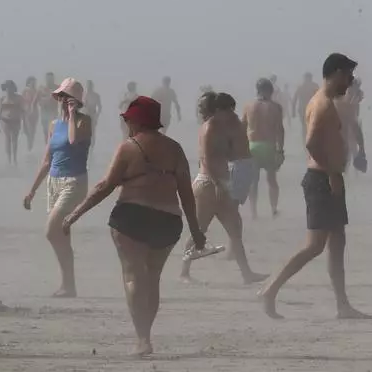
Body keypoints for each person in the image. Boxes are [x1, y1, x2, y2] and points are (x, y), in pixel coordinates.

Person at [60, 96, 203, 357]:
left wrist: (74, 214)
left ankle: (142, 339)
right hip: (168, 220)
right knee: (152, 278)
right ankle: (145, 334)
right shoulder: (175, 149)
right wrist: (196, 231)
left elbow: (104, 186)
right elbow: (186, 193)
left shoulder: (128, 147)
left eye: (128, 120)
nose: (126, 124)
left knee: (133, 276)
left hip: (132, 217)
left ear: (137, 121)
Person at [259, 53, 370, 320]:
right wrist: (331, 173)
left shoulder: (328, 102)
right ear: (336, 73)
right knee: (315, 246)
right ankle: (270, 290)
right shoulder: (322, 105)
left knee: (337, 242)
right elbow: (310, 143)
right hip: (321, 180)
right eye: (348, 76)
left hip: (329, 178)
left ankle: (343, 305)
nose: (350, 82)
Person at [179, 92, 268, 284]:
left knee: (234, 229)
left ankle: (246, 273)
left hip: (221, 183)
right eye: (228, 110)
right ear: (218, 110)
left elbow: (227, 154)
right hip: (208, 185)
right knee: (200, 230)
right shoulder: (210, 127)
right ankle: (184, 273)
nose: (231, 114)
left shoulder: (220, 127)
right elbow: (206, 159)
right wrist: (218, 184)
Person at [23, 78, 92, 297]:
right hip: (54, 182)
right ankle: (68, 285)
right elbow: (47, 160)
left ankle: (68, 283)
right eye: (61, 97)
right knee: (62, 235)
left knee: (51, 230)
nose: (63, 101)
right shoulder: (54, 125)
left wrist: (71, 115)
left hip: (74, 182)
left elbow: (72, 141)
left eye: (68, 97)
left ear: (76, 101)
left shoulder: (84, 122)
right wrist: (32, 190)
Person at [245, 78, 286, 219]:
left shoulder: (249, 106)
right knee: (272, 180)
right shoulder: (276, 107)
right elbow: (280, 130)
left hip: (252, 146)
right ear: (271, 91)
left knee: (253, 182)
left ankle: (253, 212)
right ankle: (274, 209)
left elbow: (242, 127)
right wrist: (280, 150)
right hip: (269, 146)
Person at [0, 80, 24, 166]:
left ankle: (14, 159)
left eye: (10, 87)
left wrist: (25, 123)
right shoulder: (2, 99)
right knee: (7, 140)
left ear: (13, 88)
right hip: (5, 121)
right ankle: (9, 160)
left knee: (14, 140)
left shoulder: (18, 98)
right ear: (5, 88)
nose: (8, 89)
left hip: (15, 121)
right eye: (7, 87)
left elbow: (22, 111)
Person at [292, 73, 319, 142]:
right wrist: (293, 111)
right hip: (306, 109)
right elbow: (294, 99)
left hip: (308, 109)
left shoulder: (305, 87)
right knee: (307, 126)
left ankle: (307, 141)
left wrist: (293, 111)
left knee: (307, 126)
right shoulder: (312, 86)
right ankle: (307, 140)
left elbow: (294, 100)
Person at [36, 72, 59, 141]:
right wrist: (42, 102)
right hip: (44, 112)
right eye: (48, 79)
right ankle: (47, 144)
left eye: (51, 79)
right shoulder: (41, 88)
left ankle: (52, 144)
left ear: (53, 79)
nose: (49, 80)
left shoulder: (57, 88)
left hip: (53, 112)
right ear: (46, 79)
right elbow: (37, 99)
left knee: (53, 130)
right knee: (45, 131)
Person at [20, 76, 40, 151]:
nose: (33, 83)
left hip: (34, 112)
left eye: (34, 82)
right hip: (27, 111)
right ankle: (29, 144)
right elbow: (21, 101)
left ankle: (30, 145)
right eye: (32, 82)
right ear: (28, 83)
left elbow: (38, 101)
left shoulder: (36, 91)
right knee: (28, 130)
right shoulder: (25, 90)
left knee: (33, 130)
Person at [83, 80, 103, 148]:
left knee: (92, 132)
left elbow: (99, 107)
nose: (89, 87)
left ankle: (92, 147)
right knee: (84, 132)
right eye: (88, 86)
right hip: (85, 114)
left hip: (93, 115)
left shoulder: (96, 95)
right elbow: (81, 105)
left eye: (90, 86)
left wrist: (97, 115)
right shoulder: (84, 95)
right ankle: (85, 146)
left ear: (92, 86)